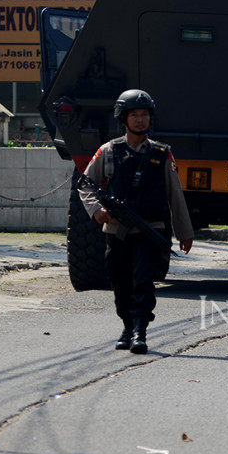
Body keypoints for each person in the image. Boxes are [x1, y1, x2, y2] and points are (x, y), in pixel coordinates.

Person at [78, 89, 194, 354]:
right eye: (134, 115)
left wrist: (184, 232)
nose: (140, 120)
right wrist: (95, 209)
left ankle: (140, 330)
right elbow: (86, 184)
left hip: (150, 228)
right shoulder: (108, 151)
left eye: (144, 115)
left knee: (143, 280)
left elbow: (174, 194)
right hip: (117, 229)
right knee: (120, 282)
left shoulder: (163, 153)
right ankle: (128, 326)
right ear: (123, 118)